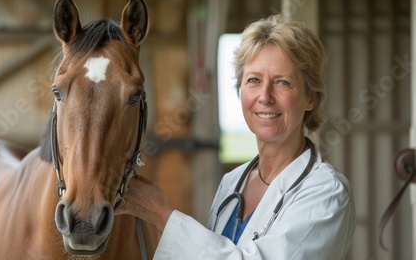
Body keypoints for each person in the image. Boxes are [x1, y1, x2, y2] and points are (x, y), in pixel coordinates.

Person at [116, 14, 356, 259]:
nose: (265, 96)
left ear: (310, 98)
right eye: (253, 80)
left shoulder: (326, 193)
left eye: (282, 82)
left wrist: (161, 213)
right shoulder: (232, 183)